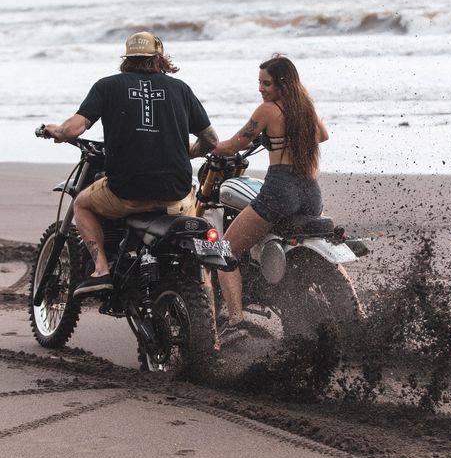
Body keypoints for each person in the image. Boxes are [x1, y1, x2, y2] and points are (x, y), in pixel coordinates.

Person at [44, 31, 219, 297]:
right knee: (199, 254)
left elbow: (72, 129)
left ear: (127, 58)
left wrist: (55, 131)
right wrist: (189, 153)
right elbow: (211, 140)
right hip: (177, 194)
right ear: (159, 58)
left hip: (126, 193)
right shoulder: (180, 89)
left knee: (81, 202)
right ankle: (213, 330)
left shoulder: (107, 86)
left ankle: (101, 270)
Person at [212, 54, 329, 344]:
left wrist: (198, 148)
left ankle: (236, 321)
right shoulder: (305, 108)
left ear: (282, 84)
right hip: (310, 193)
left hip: (280, 191)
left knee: (224, 251)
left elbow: (233, 145)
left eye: (266, 83)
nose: (261, 89)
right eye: (259, 83)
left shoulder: (268, 110)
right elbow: (322, 136)